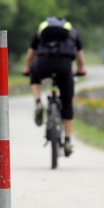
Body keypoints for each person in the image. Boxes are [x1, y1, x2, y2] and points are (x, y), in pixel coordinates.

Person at [23, 16, 86, 157]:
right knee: (67, 103)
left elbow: (30, 55)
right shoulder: (72, 32)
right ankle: (68, 140)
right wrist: (81, 70)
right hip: (64, 65)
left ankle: (38, 101)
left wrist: (27, 69)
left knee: (34, 75)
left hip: (43, 63)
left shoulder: (41, 30)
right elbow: (80, 58)